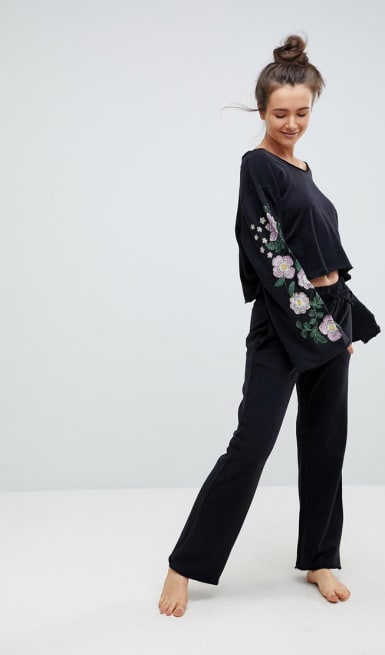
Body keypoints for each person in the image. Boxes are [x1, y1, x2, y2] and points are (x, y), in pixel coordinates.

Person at [158, 35, 380, 618]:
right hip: (286, 322)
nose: (292, 123)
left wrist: (344, 325)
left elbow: (325, 254)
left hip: (328, 315)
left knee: (326, 441)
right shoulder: (257, 165)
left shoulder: (303, 169)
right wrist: (321, 328)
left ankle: (319, 558)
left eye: (302, 112)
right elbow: (271, 256)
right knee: (252, 443)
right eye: (281, 113)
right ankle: (185, 563)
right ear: (261, 110)